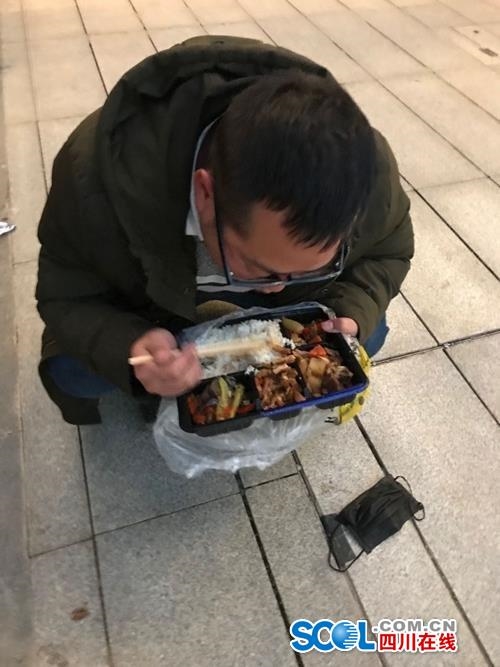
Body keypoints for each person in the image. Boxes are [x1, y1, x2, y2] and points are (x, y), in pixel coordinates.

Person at [36, 35, 413, 425]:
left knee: (367, 335)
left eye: (310, 266)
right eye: (257, 266)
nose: (275, 289)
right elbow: (66, 293)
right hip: (150, 301)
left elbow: (388, 252)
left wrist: (353, 312)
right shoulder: (96, 177)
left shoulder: (365, 174)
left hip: (289, 304)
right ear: (204, 193)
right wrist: (130, 344)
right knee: (73, 371)